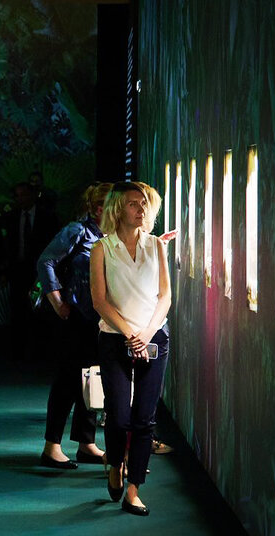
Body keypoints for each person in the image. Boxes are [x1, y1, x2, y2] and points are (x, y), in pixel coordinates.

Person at [90, 181, 170, 516]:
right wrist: (129, 334)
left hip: (154, 339)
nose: (141, 209)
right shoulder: (102, 248)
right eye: (133, 204)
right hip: (115, 338)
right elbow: (99, 300)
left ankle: (134, 489)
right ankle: (114, 464)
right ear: (117, 209)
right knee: (119, 414)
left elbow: (165, 296)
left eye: (143, 204)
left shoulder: (156, 245)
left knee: (144, 419)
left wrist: (147, 334)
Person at [35, 182, 113, 469]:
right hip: (76, 316)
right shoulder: (77, 230)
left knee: (92, 378)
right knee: (67, 379)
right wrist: (57, 301)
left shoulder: (112, 236)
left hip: (101, 319)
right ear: (99, 208)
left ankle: (86, 443)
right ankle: (51, 446)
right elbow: (46, 261)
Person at [1, 181, 59, 360]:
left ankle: (39, 353)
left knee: (39, 312)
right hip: (16, 271)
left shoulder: (47, 217)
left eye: (25, 194)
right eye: (18, 195)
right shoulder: (10, 217)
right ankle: (17, 353)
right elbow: (6, 246)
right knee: (17, 310)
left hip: (40, 271)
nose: (21, 199)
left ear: (34, 195)